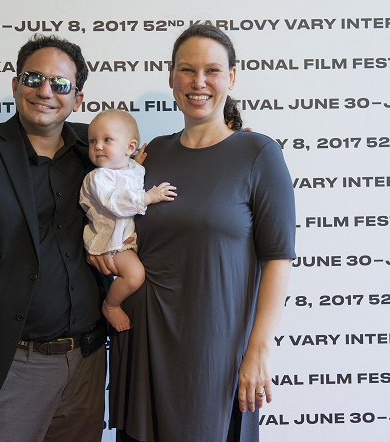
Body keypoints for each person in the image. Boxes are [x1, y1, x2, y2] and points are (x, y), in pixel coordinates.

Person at [104, 24, 296, 441]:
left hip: (217, 350)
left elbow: (278, 258)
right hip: (145, 342)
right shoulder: (149, 154)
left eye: (212, 70)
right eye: (187, 70)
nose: (198, 82)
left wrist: (258, 349)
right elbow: (114, 222)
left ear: (232, 77)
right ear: (171, 77)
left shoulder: (258, 154)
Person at [0, 34, 110, 442]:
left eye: (60, 84)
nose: (45, 91)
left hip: (87, 360)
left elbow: (159, 163)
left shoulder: (95, 150)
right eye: (34, 78)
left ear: (77, 99)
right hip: (10, 363)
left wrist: (231, 137)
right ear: (15, 85)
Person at [79, 109, 177, 332]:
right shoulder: (98, 176)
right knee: (134, 276)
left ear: (130, 148)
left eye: (107, 140)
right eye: (93, 141)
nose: (98, 146)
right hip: (110, 243)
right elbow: (116, 203)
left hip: (126, 238)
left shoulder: (131, 168)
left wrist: (135, 161)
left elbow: (133, 172)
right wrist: (148, 197)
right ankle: (111, 305)